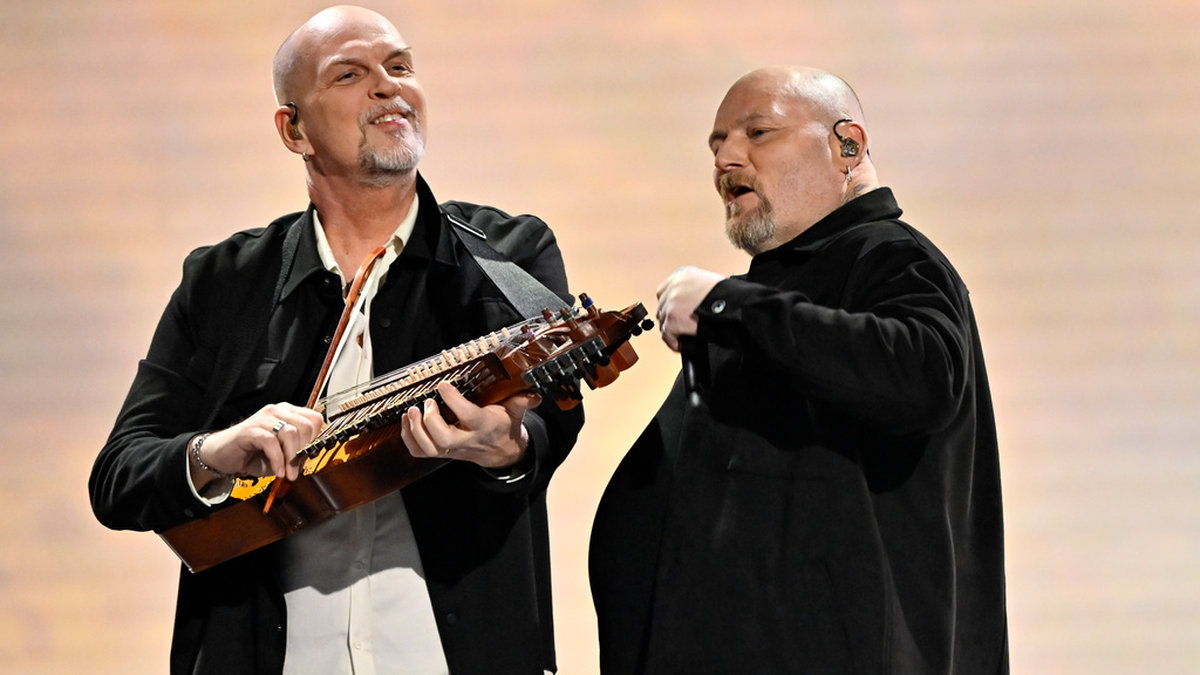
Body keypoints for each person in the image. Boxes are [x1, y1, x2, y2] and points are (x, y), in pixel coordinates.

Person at [89, 6, 582, 674]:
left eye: (400, 66)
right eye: (350, 74)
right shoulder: (224, 281)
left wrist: (508, 450)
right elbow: (119, 476)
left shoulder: (508, 254)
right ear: (293, 129)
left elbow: (555, 420)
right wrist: (215, 452)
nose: (388, 86)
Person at [589, 66, 1008, 673]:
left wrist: (731, 305)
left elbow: (923, 376)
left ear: (848, 146)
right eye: (716, 145)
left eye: (758, 133)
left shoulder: (889, 254)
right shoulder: (773, 298)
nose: (726, 159)